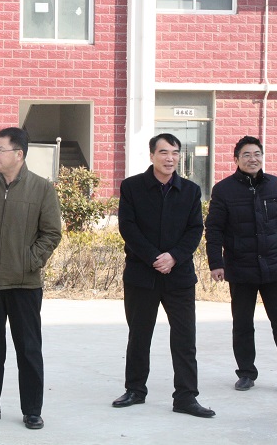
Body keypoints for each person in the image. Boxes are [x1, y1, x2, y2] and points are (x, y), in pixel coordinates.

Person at [0, 127, 62, 430]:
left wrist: (30, 261)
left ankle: (32, 409)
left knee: (28, 349)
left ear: (18, 154)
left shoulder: (41, 189)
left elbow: (51, 233)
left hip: (24, 284)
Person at [112, 133, 215, 418]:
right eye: (164, 152)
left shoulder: (191, 191)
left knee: (185, 338)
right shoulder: (132, 187)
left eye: (175, 153)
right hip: (141, 275)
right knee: (139, 335)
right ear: (152, 155)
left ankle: (186, 396)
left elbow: (195, 229)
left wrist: (174, 257)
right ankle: (135, 389)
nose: (170, 158)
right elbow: (128, 227)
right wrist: (154, 258)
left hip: (179, 276)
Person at [205, 136, 277, 393]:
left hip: (274, 266)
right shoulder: (224, 190)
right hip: (240, 267)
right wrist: (216, 263)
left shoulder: (275, 185)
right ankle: (246, 373)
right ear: (236, 159)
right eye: (246, 155)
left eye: (257, 154)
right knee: (243, 324)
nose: (252, 159)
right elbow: (214, 229)